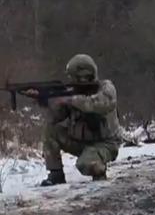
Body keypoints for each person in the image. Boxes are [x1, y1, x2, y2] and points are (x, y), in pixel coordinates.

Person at [37, 54, 122, 186]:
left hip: (105, 144)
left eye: (75, 77)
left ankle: (98, 170)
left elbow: (102, 104)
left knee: (85, 164)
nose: (72, 81)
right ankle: (56, 174)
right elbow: (56, 118)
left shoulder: (106, 88)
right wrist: (46, 102)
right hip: (80, 142)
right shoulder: (72, 92)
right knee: (51, 131)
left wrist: (70, 100)